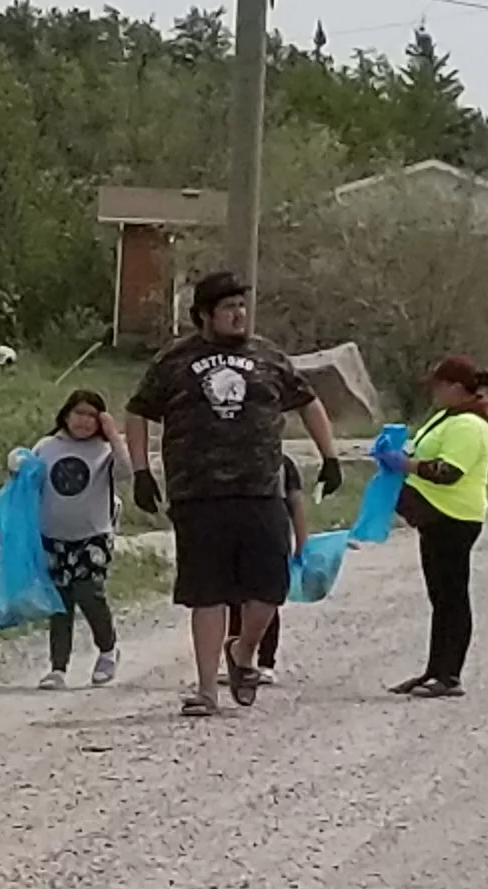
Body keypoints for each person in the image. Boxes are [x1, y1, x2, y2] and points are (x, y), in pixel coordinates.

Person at [125, 271, 343, 717]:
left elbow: (307, 401)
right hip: (197, 492)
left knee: (269, 588)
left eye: (242, 305)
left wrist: (331, 456)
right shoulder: (175, 360)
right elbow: (138, 411)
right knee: (207, 592)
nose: (238, 314)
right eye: (228, 307)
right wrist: (142, 472)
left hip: (261, 489)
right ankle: (207, 689)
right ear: (204, 315)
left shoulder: (268, 356)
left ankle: (243, 653)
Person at [381, 355, 488, 699]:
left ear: (457, 388)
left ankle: (449, 675)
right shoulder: (451, 417)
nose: (434, 392)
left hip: (454, 517)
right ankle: (435, 670)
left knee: (452, 597)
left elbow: (449, 472)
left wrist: (406, 464)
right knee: (441, 598)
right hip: (436, 517)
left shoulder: (469, 426)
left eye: (439, 386)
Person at [21, 389, 128, 691]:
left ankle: (107, 650)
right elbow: (27, 481)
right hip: (53, 536)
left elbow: (126, 471)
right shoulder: (47, 446)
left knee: (89, 593)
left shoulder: (104, 452)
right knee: (59, 603)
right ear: (66, 414)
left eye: (92, 416)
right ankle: (58, 668)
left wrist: (113, 435)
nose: (83, 421)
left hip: (93, 535)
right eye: (78, 413)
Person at [225, 453, 310, 685]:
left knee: (266, 599)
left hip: (272, 533)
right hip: (236, 534)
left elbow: (296, 501)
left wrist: (302, 540)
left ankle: (265, 662)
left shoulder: (282, 462)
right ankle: (238, 658)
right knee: (235, 601)